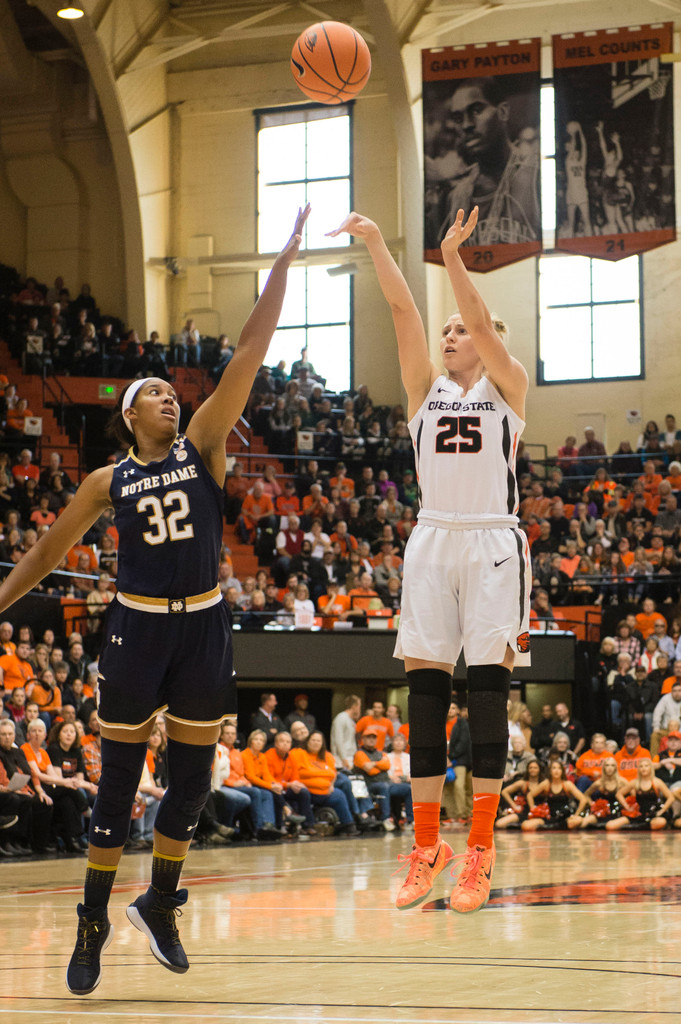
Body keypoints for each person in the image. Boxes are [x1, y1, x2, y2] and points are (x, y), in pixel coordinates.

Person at [0, 206, 309, 995]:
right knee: (114, 789)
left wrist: (281, 264)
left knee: (194, 784)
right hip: (136, 631)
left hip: (204, 625)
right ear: (128, 414)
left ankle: (160, 903)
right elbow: (48, 552)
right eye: (155, 395)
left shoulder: (203, 444)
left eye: (174, 393)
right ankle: (92, 920)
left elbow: (249, 351)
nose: (170, 399)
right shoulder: (108, 481)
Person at [328, 205, 530, 914]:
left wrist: (452, 259)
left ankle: (479, 851)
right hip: (432, 539)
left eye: (460, 330)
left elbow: (477, 321)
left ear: (486, 338)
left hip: (493, 543)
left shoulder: (509, 385)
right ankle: (425, 846)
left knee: (487, 695)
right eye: (446, 330)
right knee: (424, 696)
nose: (448, 335)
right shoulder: (426, 391)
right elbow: (400, 311)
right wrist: (376, 241)